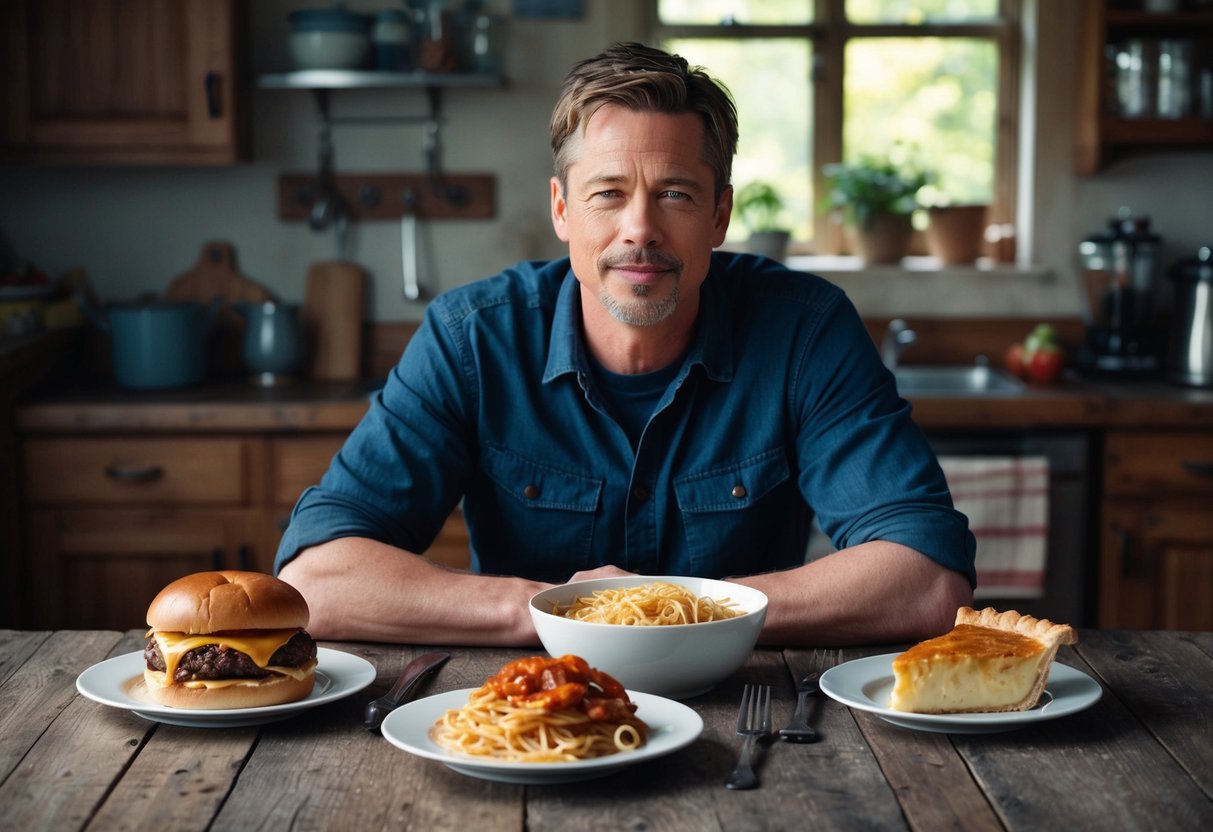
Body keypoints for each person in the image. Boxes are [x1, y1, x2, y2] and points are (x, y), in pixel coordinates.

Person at [276, 42, 975, 647]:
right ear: (560, 209)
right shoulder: (472, 337)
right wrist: (555, 613)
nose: (639, 229)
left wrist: (672, 613)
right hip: (526, 708)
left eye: (674, 194)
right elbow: (317, 579)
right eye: (607, 193)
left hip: (746, 707)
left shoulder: (804, 330)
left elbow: (924, 579)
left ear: (719, 215)